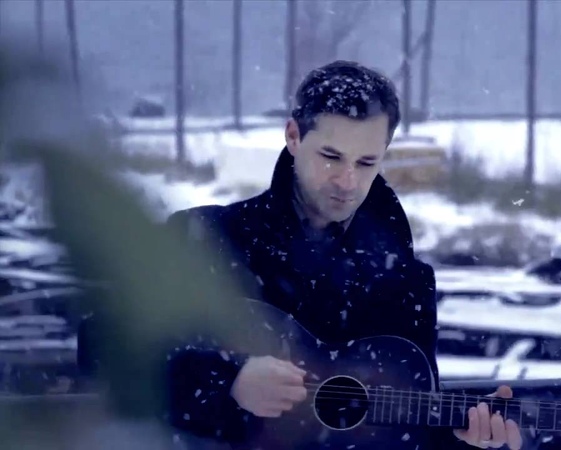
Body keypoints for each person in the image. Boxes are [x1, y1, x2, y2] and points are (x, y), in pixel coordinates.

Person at [140, 61, 522, 449]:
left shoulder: (405, 282)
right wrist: (228, 380)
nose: (347, 181)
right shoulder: (206, 237)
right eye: (331, 156)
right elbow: (115, 354)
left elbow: (406, 429)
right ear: (293, 136)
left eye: (366, 162)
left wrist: (466, 439)